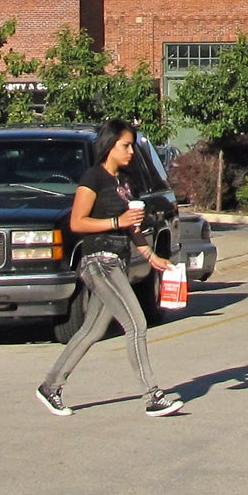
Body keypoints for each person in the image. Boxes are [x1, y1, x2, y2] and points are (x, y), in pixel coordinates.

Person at [36, 120, 182, 418]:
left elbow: (132, 226)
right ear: (109, 145)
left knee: (91, 330)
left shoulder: (124, 183)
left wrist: (150, 255)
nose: (131, 151)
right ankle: (153, 395)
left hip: (119, 259)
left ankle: (50, 386)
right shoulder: (93, 179)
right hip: (98, 260)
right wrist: (117, 223)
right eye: (125, 145)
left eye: (131, 145)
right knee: (136, 323)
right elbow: (77, 222)